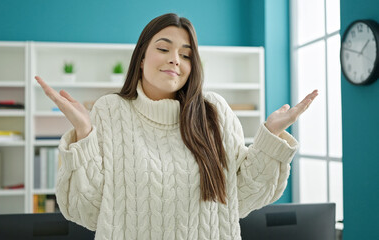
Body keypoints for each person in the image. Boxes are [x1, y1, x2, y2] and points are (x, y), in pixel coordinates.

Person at [35, 13, 318, 240]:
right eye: (163, 48)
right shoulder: (110, 111)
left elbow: (241, 198)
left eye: (185, 55)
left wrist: (271, 135)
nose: (175, 59)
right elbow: (87, 211)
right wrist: (84, 134)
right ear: (142, 57)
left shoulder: (215, 112)